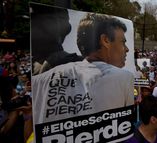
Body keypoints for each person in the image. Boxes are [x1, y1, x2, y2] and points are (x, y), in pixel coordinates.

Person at [32, 11, 134, 142]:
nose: (127, 49)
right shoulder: (125, 78)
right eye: (123, 42)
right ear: (106, 41)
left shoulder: (40, 80)